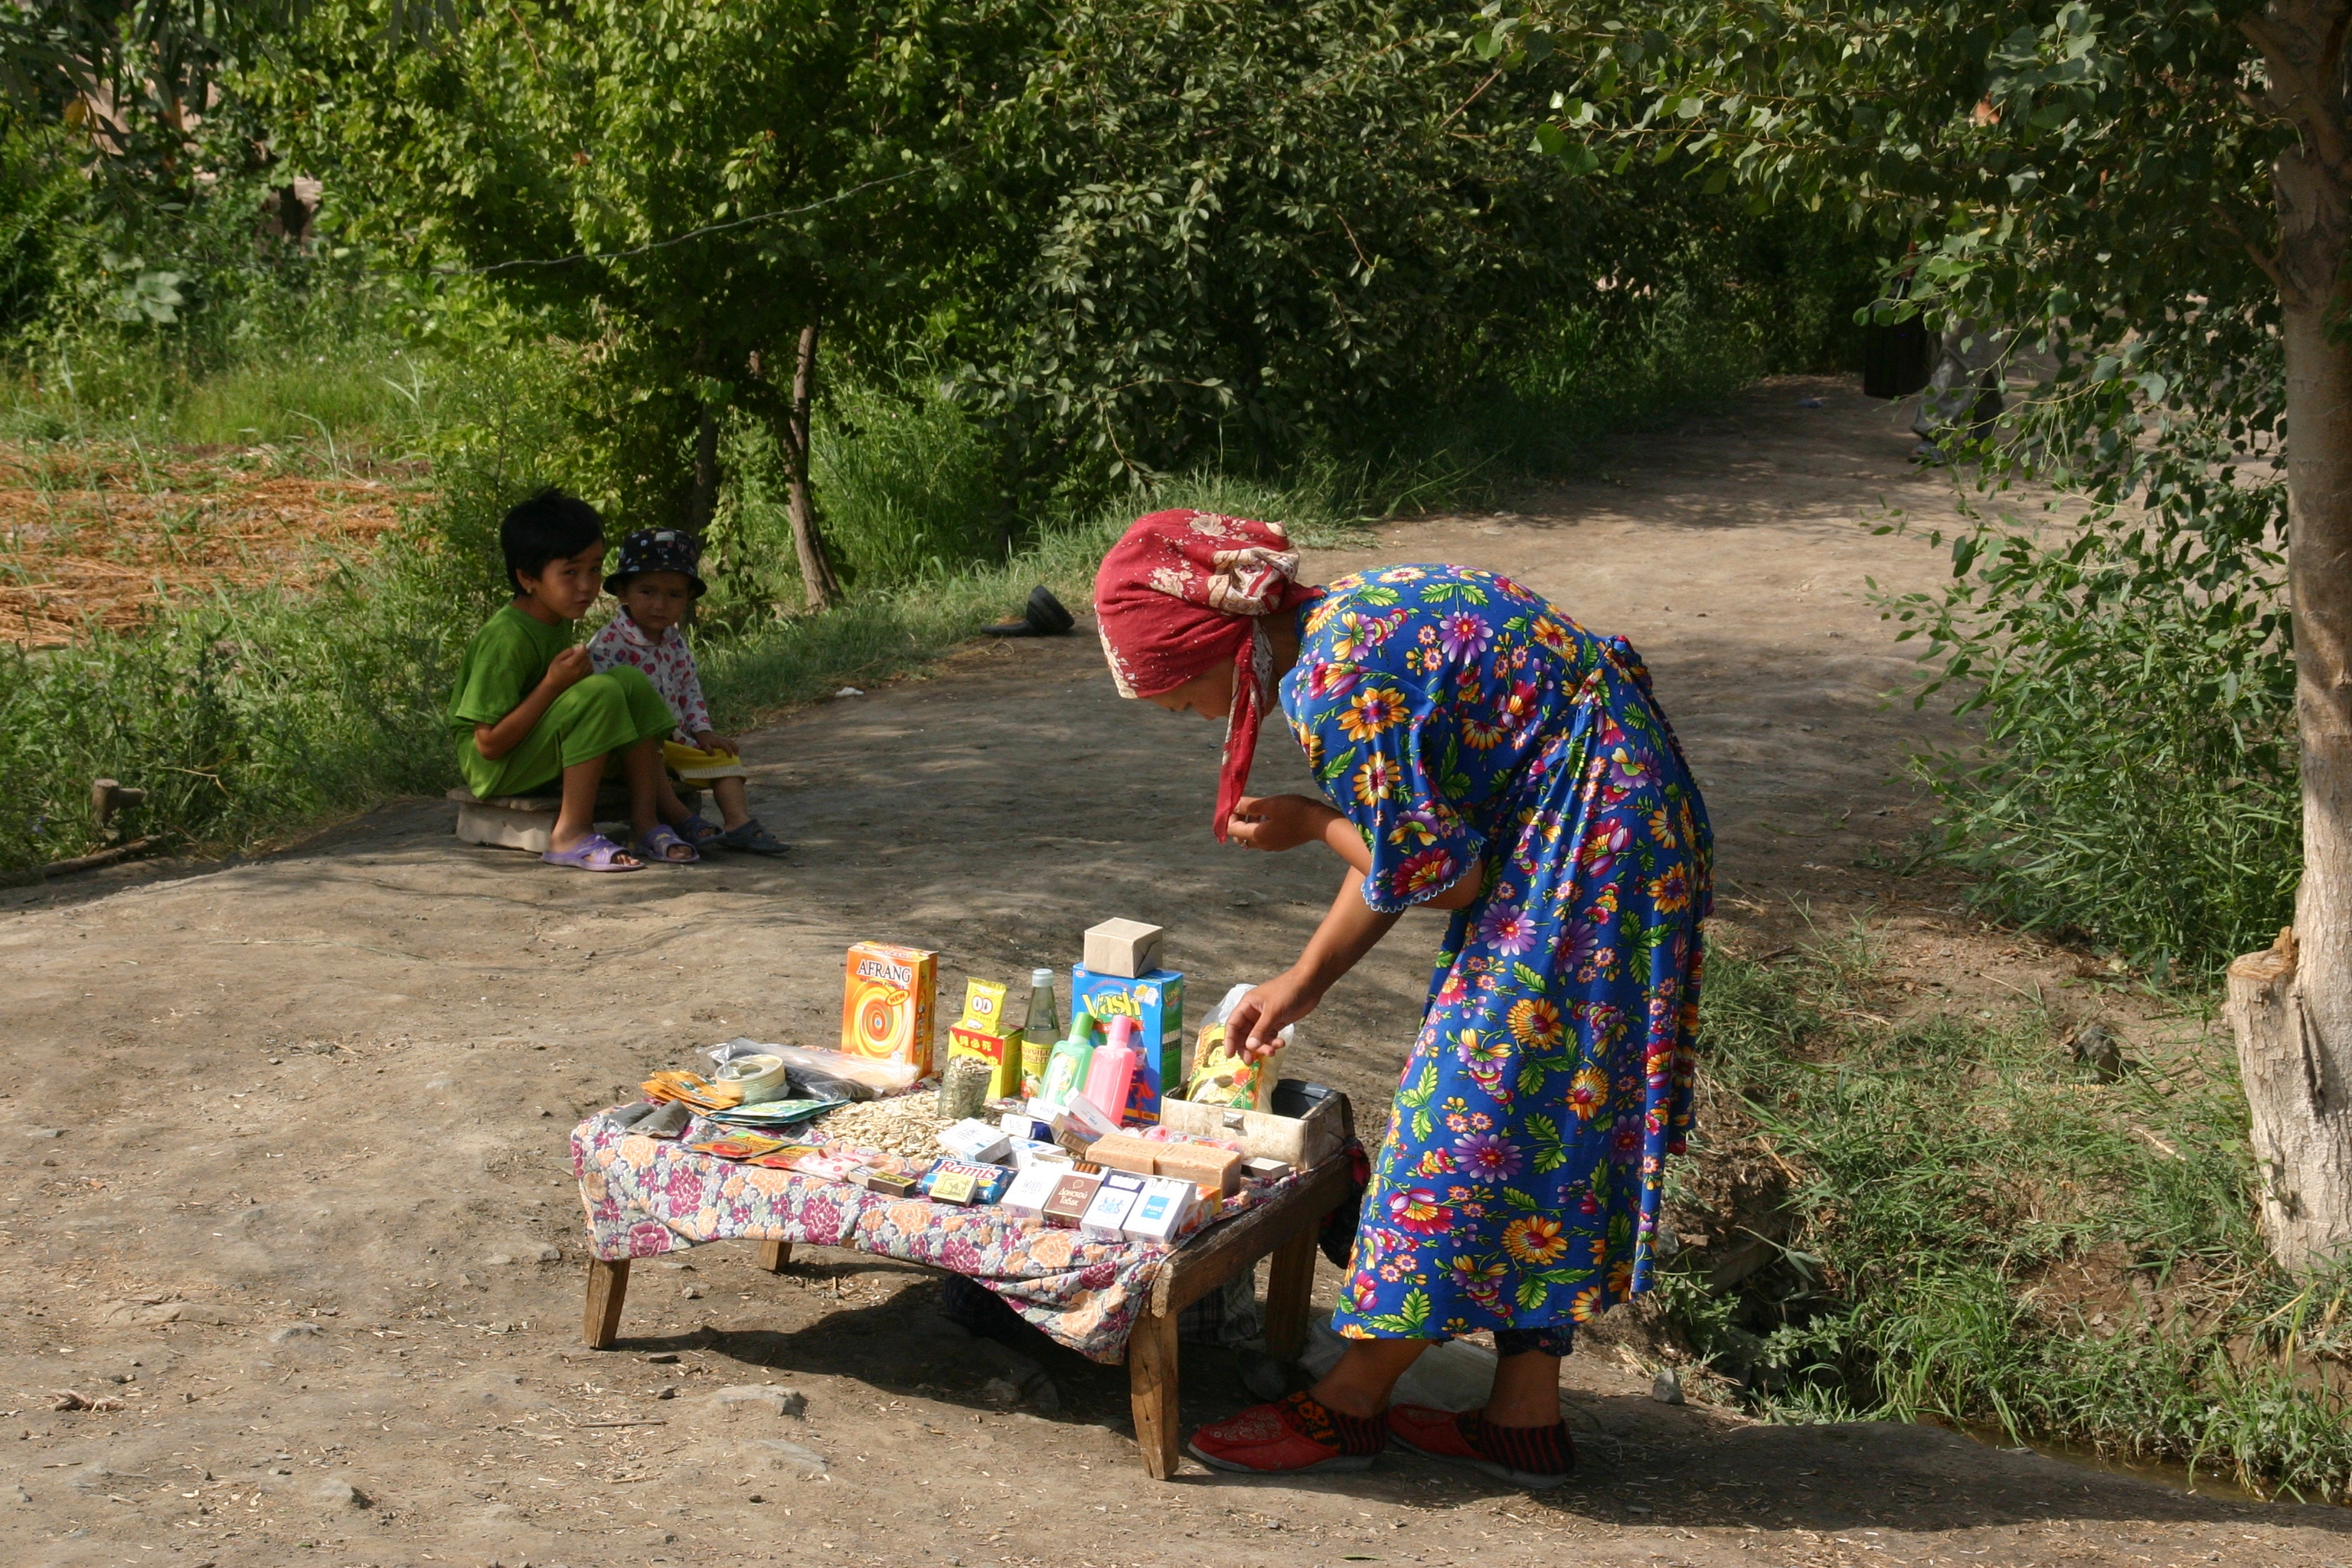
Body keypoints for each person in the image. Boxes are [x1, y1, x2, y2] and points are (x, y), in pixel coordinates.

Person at [1095, 510, 1711, 1488]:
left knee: (1470, 1111)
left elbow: (1443, 880)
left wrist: (1311, 822)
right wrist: (1303, 980)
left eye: (1176, 698)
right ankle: (1524, 1416)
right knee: (1548, 1106)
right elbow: (1412, 845)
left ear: (1211, 644)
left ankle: (1351, 1401)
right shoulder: (1354, 615)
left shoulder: (1333, 686)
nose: (1190, 718)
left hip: (1588, 851)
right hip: (1617, 825)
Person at [445, 488, 708, 871]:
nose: (586, 585)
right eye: (570, 572)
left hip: (532, 751)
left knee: (629, 681)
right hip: (498, 770)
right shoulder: (506, 638)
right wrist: (552, 685)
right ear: (528, 577)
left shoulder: (554, 619)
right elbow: (487, 745)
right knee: (602, 690)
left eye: (595, 569)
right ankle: (570, 832)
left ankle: (646, 821)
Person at [588, 528, 789, 856]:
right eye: (647, 592)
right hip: (632, 747)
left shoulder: (675, 642)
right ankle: (683, 818)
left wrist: (703, 731)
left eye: (674, 595)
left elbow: (688, 689)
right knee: (650, 756)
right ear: (623, 592)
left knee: (724, 757)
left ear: (688, 598)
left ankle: (738, 823)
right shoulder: (609, 643)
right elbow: (600, 697)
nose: (660, 605)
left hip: (677, 741)